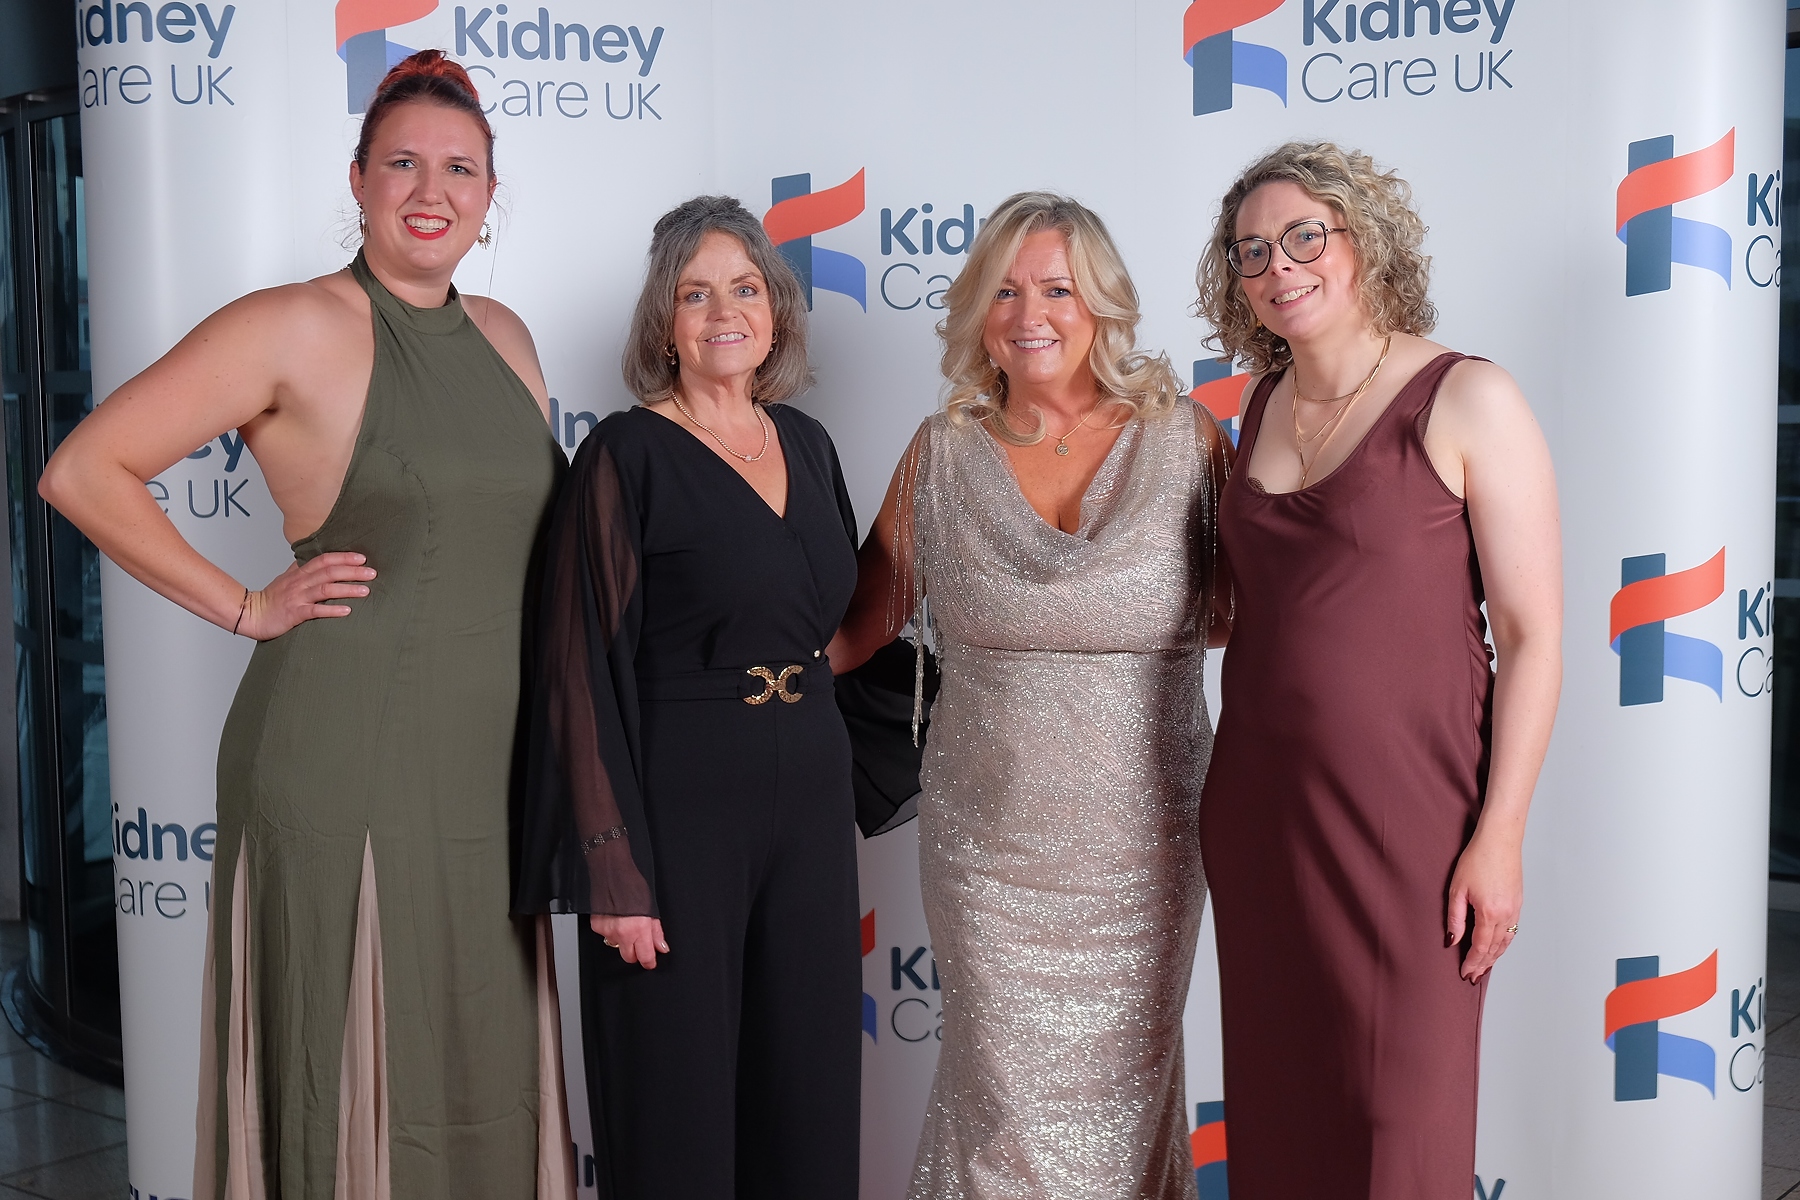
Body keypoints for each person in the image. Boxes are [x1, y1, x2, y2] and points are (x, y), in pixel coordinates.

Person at [38, 51, 573, 1200]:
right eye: (403, 163)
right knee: (350, 1060)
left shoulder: (509, 335)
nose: (431, 190)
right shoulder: (291, 324)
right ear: (359, 178)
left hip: (491, 772)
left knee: (480, 1059)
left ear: (490, 195)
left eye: (460, 169)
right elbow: (84, 470)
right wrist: (243, 605)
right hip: (345, 757)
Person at [830, 192, 1231, 1198]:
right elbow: (853, 630)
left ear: (1102, 304)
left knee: (1128, 1101)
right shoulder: (941, 453)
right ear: (978, 311)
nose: (1029, 313)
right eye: (1004, 291)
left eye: (1057, 288)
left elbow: (1255, 614)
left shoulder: (1190, 443)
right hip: (989, 848)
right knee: (1000, 1107)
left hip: (1147, 849)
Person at [1193, 142, 1562, 1198]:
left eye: (1305, 236)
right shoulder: (1257, 406)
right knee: (1282, 1115)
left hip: (1412, 821)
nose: (1279, 265)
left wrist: (1500, 836)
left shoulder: (1468, 395)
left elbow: (1533, 635)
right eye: (1252, 250)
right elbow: (1243, 612)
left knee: (1400, 1129)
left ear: (1365, 243)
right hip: (1261, 817)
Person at [513, 195, 862, 1199]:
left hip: (809, 802)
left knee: (806, 1092)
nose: (724, 311)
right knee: (676, 1108)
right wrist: (610, 868)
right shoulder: (624, 454)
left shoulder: (807, 443)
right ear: (663, 321)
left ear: (776, 311)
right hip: (677, 808)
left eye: (745, 288)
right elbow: (576, 665)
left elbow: (838, 622)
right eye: (695, 293)